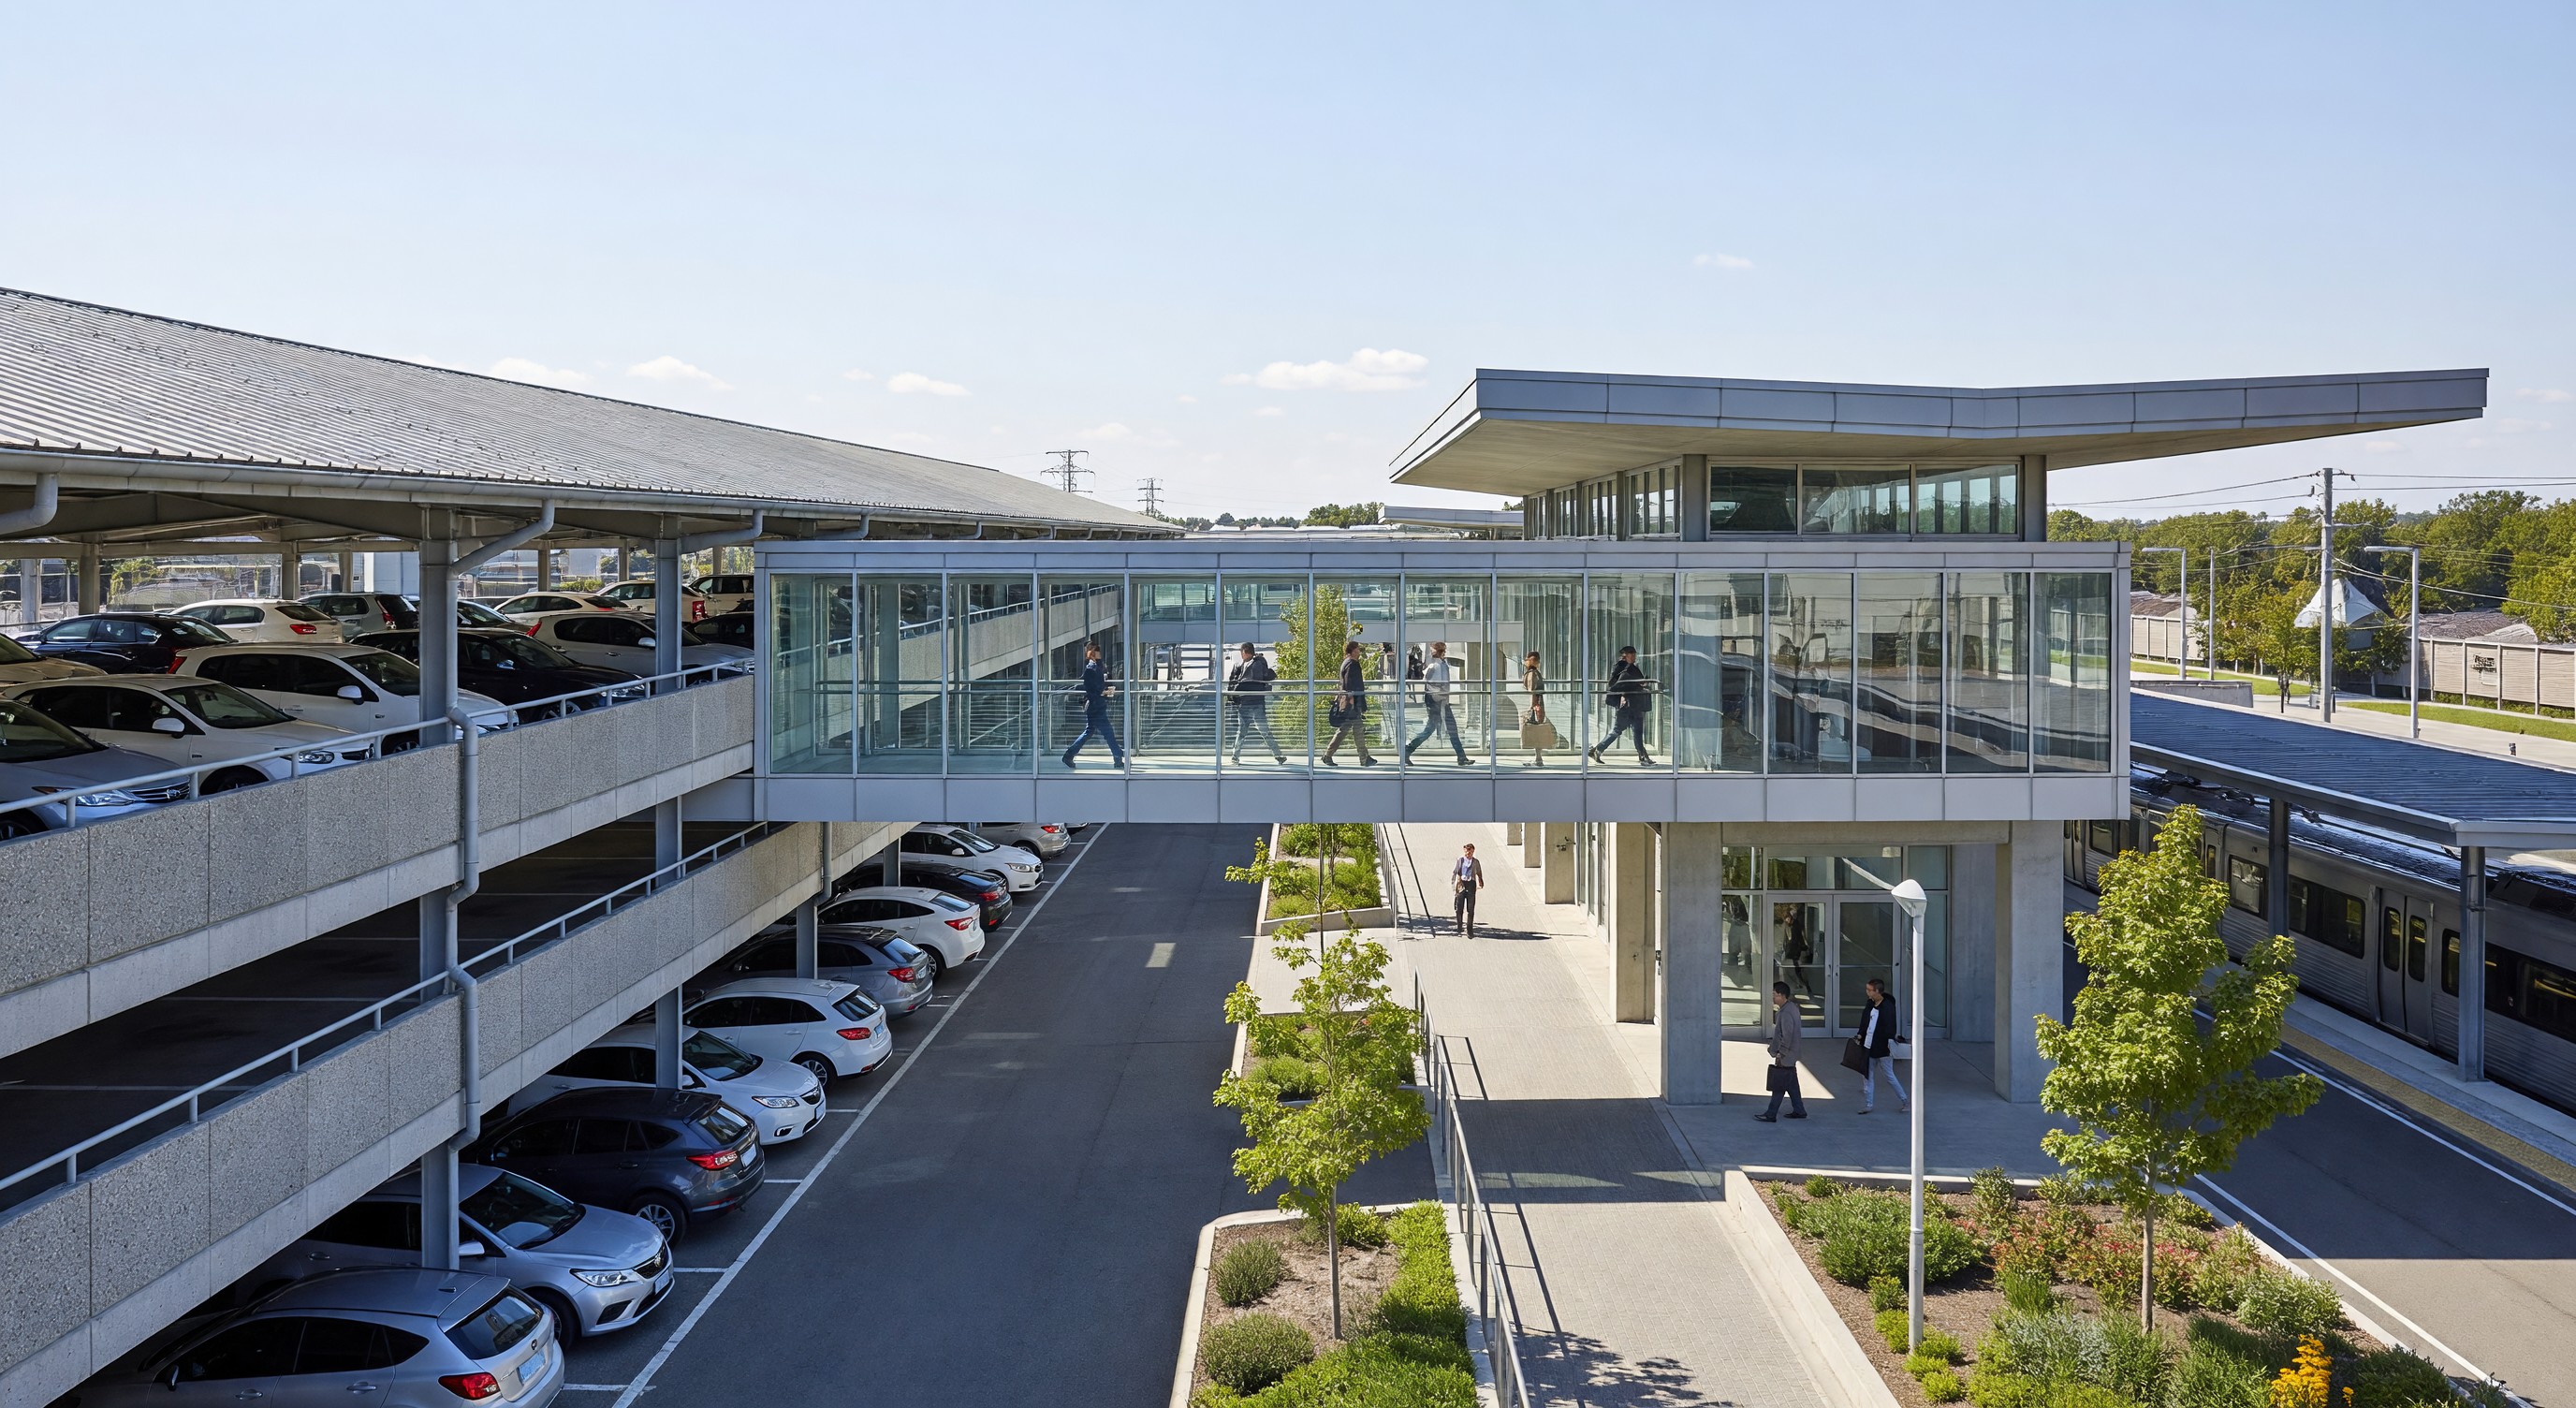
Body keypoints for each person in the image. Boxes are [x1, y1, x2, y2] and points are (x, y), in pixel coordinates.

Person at [1403, 639, 1470, 765]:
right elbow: (1432, 685)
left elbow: (1434, 684)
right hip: (1437, 701)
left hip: (1440, 701)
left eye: (1433, 649)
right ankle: (1408, 750)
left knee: (1446, 728)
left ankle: (1461, 757)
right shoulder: (1436, 666)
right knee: (1434, 729)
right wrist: (1441, 697)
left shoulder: (1440, 665)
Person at [1061, 640, 1124, 768]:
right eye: (1096, 651)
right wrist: (1102, 693)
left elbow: (1099, 685)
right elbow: (1091, 690)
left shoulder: (1098, 666)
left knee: (1091, 732)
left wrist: (1104, 692)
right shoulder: (1091, 669)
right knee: (1107, 732)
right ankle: (1118, 757)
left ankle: (1069, 755)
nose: (1099, 653)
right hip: (1096, 706)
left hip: (1097, 705)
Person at [1589, 645, 1655, 766]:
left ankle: (1643, 756)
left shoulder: (1627, 668)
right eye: (1631, 654)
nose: (1634, 657)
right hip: (1628, 705)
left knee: (1636, 731)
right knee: (1620, 730)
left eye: (1634, 654)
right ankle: (1598, 750)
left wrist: (1640, 685)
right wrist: (1638, 686)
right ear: (1625, 656)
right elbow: (1619, 685)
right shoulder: (1624, 668)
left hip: (1634, 704)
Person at [1224, 641, 1286, 764]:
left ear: (1245, 652)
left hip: (1248, 702)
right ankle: (1278, 755)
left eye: (1242, 652)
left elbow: (1251, 681)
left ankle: (1235, 757)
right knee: (1263, 730)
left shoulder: (1254, 664)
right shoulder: (1254, 663)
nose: (1241, 655)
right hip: (1255, 702)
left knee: (1243, 731)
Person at [1321, 639, 1377, 766]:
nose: (1359, 651)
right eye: (1358, 648)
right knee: (1355, 730)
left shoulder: (1347, 662)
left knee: (1348, 729)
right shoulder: (1352, 664)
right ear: (1353, 650)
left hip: (1349, 702)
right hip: (1352, 703)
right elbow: (1349, 683)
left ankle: (1329, 755)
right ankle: (1363, 758)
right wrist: (1352, 699)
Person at [1857, 977, 1909, 1115]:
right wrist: (1860, 1034)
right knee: (1867, 1075)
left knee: (1889, 1076)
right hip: (1869, 1045)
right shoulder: (1870, 1004)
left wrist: (1884, 1041)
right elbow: (1865, 1021)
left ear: (1877, 991)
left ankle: (1905, 1100)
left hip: (1883, 1048)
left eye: (1870, 990)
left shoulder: (1887, 1007)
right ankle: (1868, 1104)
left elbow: (1889, 1029)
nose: (1867, 992)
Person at [1756, 981, 1807, 1122]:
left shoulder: (1785, 1013)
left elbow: (1787, 1035)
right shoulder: (1791, 1008)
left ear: (1782, 995)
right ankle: (1799, 1110)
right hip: (1792, 1053)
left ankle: (1771, 1114)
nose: (1773, 997)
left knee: (1779, 1084)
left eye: (1775, 994)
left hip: (1786, 1055)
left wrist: (1781, 1053)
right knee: (1791, 1084)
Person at [1520, 650, 1553, 766]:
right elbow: (1534, 690)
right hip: (1538, 704)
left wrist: (1533, 706)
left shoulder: (1531, 674)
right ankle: (1538, 758)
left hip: (1535, 704)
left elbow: (1532, 691)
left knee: (1536, 730)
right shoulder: (1535, 673)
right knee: (1537, 729)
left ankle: (1538, 758)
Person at [1452, 842, 1485, 936]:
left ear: (1473, 852)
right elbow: (1456, 871)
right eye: (1467, 852)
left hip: (1471, 885)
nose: (1468, 854)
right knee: (1459, 908)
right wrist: (1457, 883)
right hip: (1461, 885)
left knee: (1470, 909)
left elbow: (1479, 872)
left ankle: (1469, 929)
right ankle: (1459, 927)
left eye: (1470, 852)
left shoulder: (1475, 862)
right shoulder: (1460, 860)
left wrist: (1480, 880)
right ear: (1464, 851)